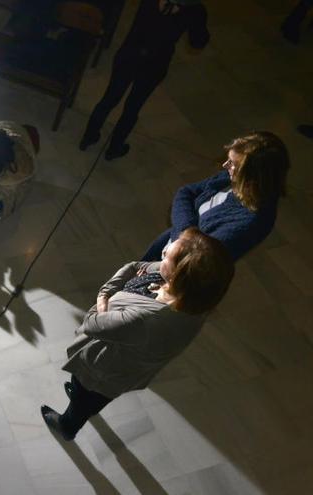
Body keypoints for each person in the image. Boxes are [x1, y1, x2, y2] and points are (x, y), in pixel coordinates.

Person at [41, 227, 235, 441]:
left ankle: (68, 425)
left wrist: (104, 297)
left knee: (85, 396)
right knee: (90, 398)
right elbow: (134, 266)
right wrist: (107, 300)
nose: (165, 248)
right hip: (118, 365)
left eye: (168, 255)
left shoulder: (147, 320)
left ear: (179, 276)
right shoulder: (194, 296)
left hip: (102, 371)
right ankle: (82, 403)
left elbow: (91, 322)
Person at [80, 0, 210, 160]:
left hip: (131, 56)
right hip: (152, 64)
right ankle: (113, 148)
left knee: (111, 98)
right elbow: (197, 41)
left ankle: (89, 138)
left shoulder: (193, 10)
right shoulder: (194, 9)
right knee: (131, 107)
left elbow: (195, 40)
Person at [141, 131, 290, 262]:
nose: (225, 165)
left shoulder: (252, 222)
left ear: (254, 176)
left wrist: (183, 229)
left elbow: (197, 257)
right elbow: (185, 193)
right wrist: (187, 232)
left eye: (233, 164)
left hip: (174, 276)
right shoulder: (230, 178)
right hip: (165, 250)